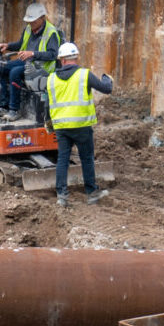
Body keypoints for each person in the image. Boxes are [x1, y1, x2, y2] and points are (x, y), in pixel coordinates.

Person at [43, 41, 114, 206]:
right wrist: (107, 79)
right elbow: (106, 88)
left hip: (61, 127)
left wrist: (48, 122)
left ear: (62, 60)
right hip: (81, 126)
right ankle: (91, 193)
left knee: (62, 159)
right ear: (75, 57)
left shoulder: (51, 78)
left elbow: (47, 104)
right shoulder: (84, 75)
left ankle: (62, 195)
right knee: (87, 158)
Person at [0, 2, 66, 115]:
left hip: (41, 69)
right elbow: (21, 44)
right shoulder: (28, 29)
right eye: (29, 21)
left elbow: (53, 54)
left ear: (42, 18)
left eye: (33, 21)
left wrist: (32, 54)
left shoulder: (51, 33)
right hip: (27, 63)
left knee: (14, 72)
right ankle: (3, 105)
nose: (31, 23)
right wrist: (8, 46)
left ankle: (14, 109)